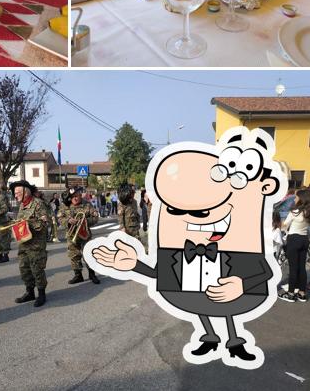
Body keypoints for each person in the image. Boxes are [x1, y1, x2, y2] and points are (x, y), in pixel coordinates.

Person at [91, 127, 286, 366]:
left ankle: (234, 342)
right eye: (176, 210)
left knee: (225, 305)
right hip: (191, 293)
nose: (195, 218)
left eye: (202, 211)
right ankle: (210, 337)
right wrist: (134, 265)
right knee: (198, 301)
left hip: (234, 293)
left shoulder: (243, 245)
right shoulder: (178, 249)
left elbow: (264, 271)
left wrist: (242, 284)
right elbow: (163, 275)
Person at [10, 180, 49, 307]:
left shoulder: (38, 204)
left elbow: (42, 223)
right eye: (14, 193)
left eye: (17, 193)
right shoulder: (22, 205)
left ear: (26, 192)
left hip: (36, 245)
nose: (15, 195)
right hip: (24, 243)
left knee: (37, 269)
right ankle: (30, 292)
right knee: (24, 269)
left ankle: (41, 294)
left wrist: (27, 223)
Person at [58, 186, 100, 285]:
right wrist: (68, 221)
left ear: (81, 195)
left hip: (85, 234)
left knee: (88, 254)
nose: (76, 198)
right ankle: (78, 275)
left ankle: (92, 274)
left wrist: (85, 221)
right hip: (72, 235)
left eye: (77, 196)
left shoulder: (87, 204)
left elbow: (95, 217)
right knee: (74, 255)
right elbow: (59, 219)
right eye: (73, 196)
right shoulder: (65, 206)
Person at [278, 189, 310, 302]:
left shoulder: (295, 211)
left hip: (294, 240)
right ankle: (302, 293)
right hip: (304, 240)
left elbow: (284, 226)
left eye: (296, 197)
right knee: (302, 267)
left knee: (293, 268)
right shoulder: (308, 212)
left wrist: (279, 223)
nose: (295, 199)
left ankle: (290, 293)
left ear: (301, 199)